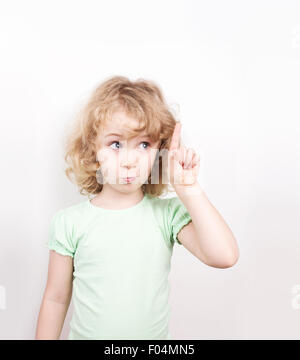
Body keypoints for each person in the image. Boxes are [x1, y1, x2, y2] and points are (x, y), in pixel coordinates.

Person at [35, 75, 239, 340]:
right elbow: (55, 300)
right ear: (92, 150)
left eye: (144, 144)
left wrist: (188, 188)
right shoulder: (69, 223)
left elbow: (224, 256)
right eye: (116, 144)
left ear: (160, 153)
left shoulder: (168, 215)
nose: (130, 160)